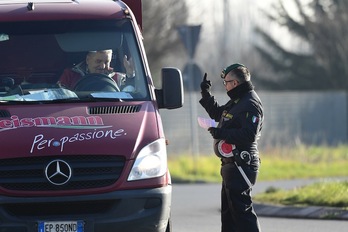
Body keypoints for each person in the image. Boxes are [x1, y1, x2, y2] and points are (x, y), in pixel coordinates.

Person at [199, 63, 263, 232]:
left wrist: (221, 133)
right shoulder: (238, 101)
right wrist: (206, 94)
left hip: (241, 163)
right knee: (229, 216)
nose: (225, 86)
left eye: (226, 82)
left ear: (235, 83)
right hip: (230, 165)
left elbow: (249, 134)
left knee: (242, 215)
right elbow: (218, 114)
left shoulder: (250, 103)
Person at [58, 49, 134, 89]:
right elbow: (60, 95)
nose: (102, 66)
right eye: (98, 61)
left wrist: (130, 75)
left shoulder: (118, 78)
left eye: (106, 62)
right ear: (88, 60)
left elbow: (132, 91)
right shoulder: (70, 75)